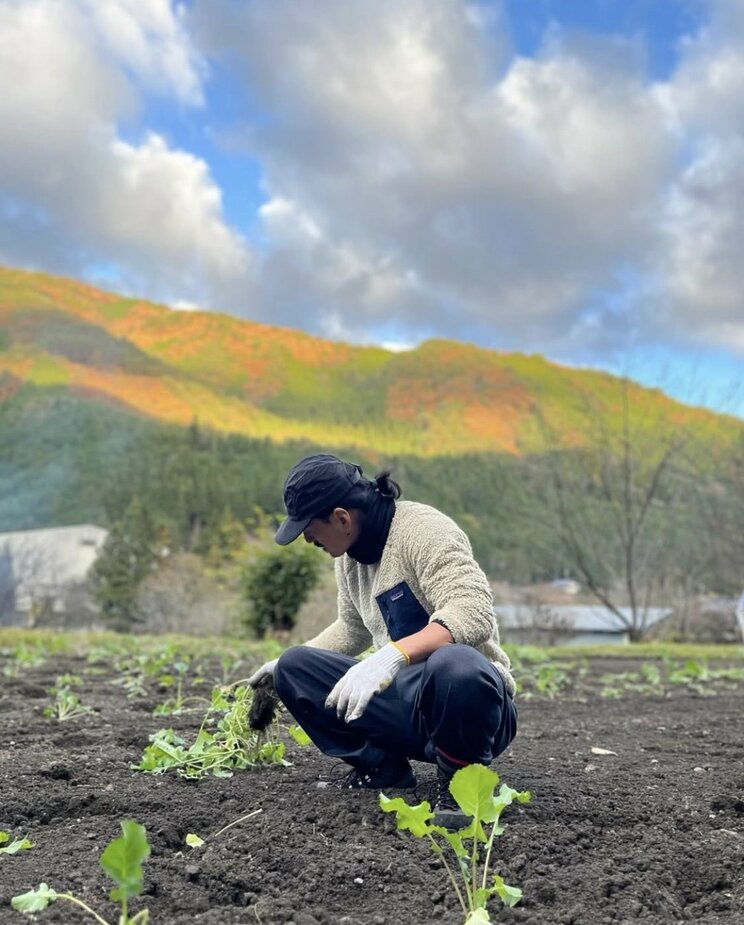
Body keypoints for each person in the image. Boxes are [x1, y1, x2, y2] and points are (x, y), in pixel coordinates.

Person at [248, 453, 517, 827]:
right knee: (296, 664)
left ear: (342, 517)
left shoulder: (424, 531)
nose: (307, 539)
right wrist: (284, 667)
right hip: (406, 703)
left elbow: (472, 611)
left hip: (473, 708)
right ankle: (383, 768)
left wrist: (393, 655)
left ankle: (460, 783)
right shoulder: (349, 557)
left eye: (309, 528)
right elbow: (352, 628)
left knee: (455, 663)